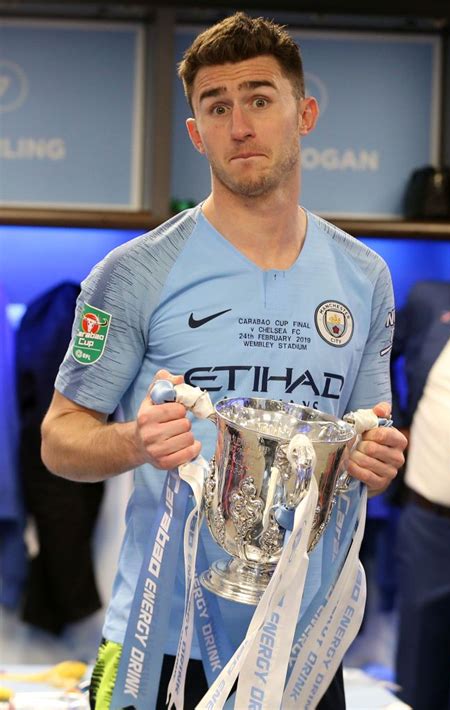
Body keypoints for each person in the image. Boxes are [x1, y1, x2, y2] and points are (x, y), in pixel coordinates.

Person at [41, 12, 407, 709]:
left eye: (260, 99)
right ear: (195, 131)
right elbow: (59, 440)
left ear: (304, 113)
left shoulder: (365, 278)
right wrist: (134, 441)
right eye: (218, 106)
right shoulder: (133, 272)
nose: (240, 124)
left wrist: (379, 458)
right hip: (157, 641)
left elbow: (368, 439)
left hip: (301, 647)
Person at [391, 279, 450, 710]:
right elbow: (376, 352)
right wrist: (396, 423)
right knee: (420, 684)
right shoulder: (434, 301)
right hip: (435, 528)